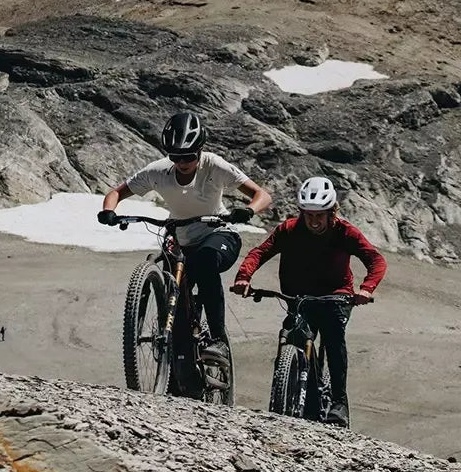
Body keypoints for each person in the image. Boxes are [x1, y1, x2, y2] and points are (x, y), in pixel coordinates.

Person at [99, 110, 272, 364]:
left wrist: (248, 210)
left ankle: (218, 340)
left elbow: (262, 195)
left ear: (200, 150)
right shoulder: (157, 171)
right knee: (176, 294)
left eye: (189, 156)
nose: (182, 162)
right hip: (183, 239)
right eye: (176, 156)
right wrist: (108, 212)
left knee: (205, 260)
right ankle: (180, 362)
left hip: (220, 233)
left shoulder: (214, 165)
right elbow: (116, 193)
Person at [231, 175, 387, 427]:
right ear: (301, 212)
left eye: (319, 216)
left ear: (331, 212)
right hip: (298, 296)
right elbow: (260, 252)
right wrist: (244, 277)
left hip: (335, 296)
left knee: (334, 337)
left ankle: (338, 402)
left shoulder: (345, 232)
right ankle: (291, 393)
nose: (314, 221)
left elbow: (376, 260)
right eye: (309, 215)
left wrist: (367, 288)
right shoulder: (289, 230)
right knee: (293, 335)